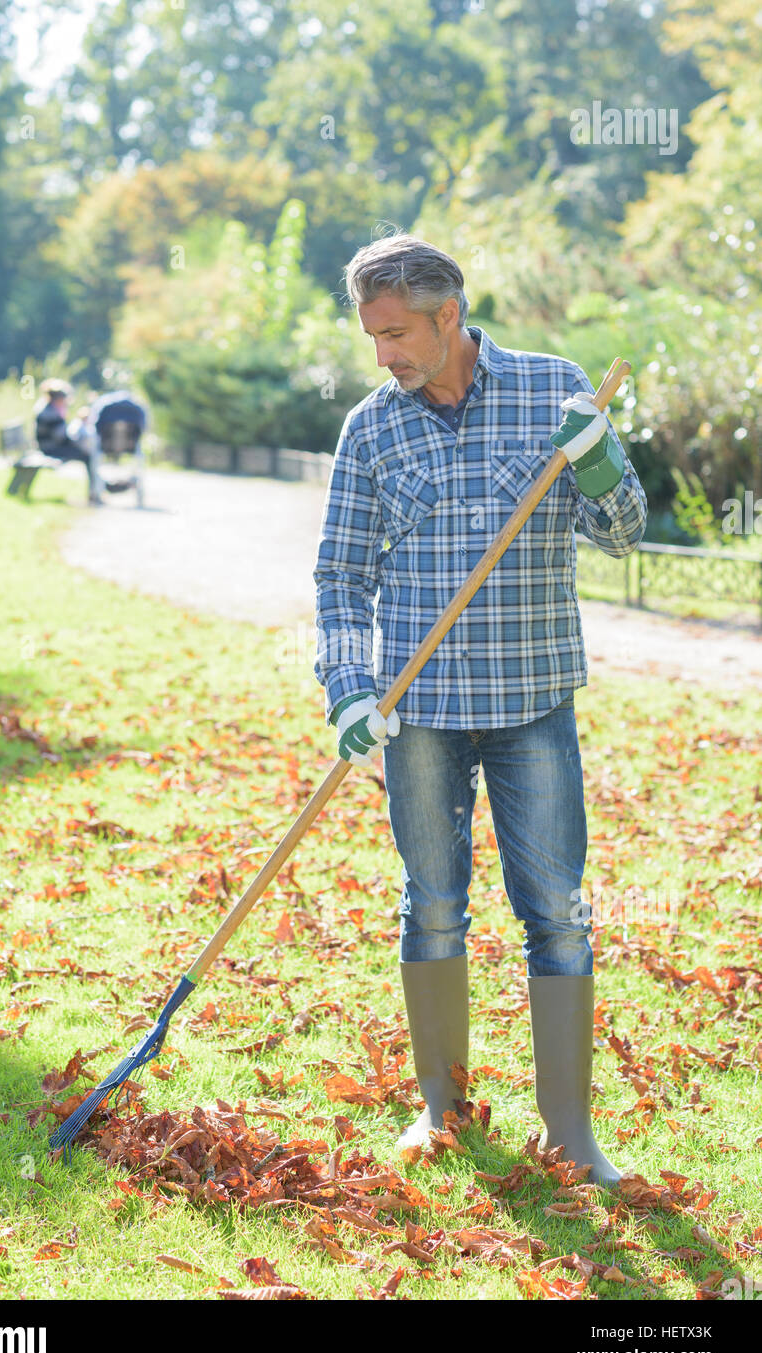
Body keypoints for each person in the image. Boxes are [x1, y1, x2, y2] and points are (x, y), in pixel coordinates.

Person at [312, 234, 648, 1185]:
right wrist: (347, 687)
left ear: (447, 315)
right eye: (370, 335)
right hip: (416, 714)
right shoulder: (371, 428)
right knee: (432, 909)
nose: (383, 355)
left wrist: (596, 460)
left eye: (395, 333)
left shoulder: (553, 390)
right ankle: (440, 1109)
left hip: (531, 698)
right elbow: (339, 577)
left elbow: (623, 534)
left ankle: (570, 1135)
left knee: (557, 914)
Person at [34, 379, 102, 504]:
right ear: (58, 398)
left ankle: (96, 489)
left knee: (87, 453)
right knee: (88, 456)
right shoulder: (50, 412)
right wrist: (76, 442)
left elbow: (61, 435)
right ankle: (94, 492)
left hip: (50, 445)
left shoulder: (50, 409)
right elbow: (61, 437)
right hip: (50, 448)